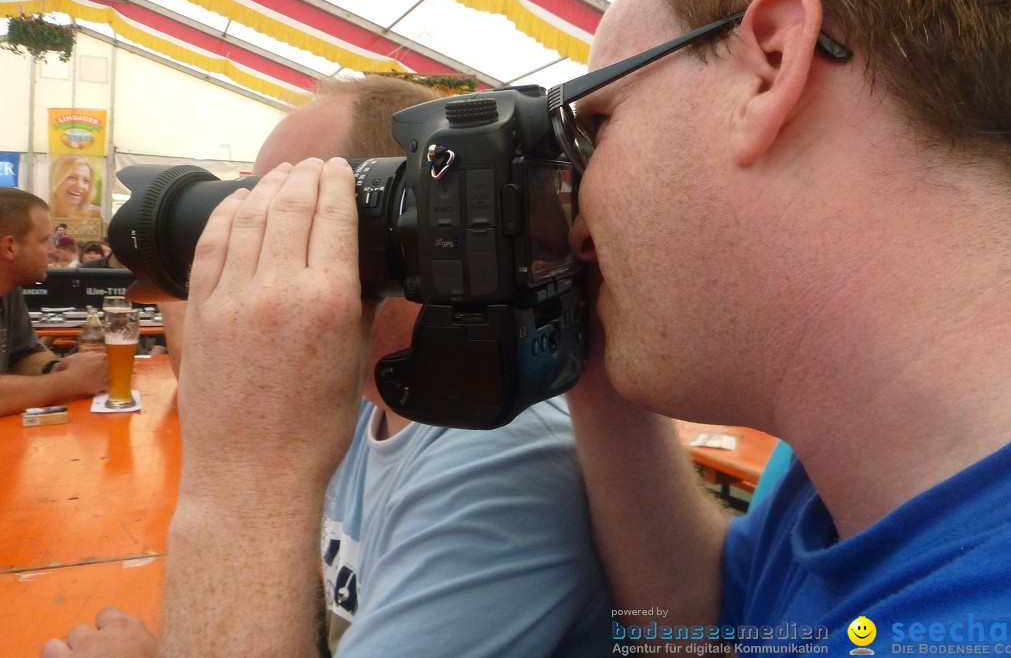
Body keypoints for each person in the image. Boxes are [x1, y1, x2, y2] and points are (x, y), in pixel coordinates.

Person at [561, 0, 1011, 650]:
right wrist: (596, 384)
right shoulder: (850, 460)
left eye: (598, 127)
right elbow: (712, 631)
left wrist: (287, 475)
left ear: (770, 64)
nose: (576, 227)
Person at [43, 75, 613, 656]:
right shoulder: (367, 402)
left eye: (285, 204)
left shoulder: (500, 456)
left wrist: (239, 482)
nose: (242, 230)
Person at [0, 187, 108, 417]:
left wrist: (59, 366)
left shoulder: (8, 291)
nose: (52, 250)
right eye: (45, 240)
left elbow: (23, 355)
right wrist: (70, 381)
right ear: (10, 247)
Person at [49, 155, 101, 219]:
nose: (80, 186)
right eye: (72, 178)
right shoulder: (41, 214)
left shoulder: (98, 215)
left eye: (86, 181)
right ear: (55, 180)